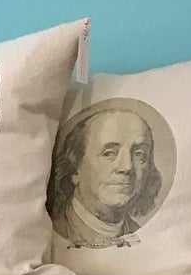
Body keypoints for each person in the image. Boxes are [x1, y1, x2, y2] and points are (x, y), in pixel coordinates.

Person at [48, 104, 164, 247]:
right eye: (109, 153)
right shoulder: (52, 230)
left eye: (139, 154)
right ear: (75, 169)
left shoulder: (144, 235)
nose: (127, 167)